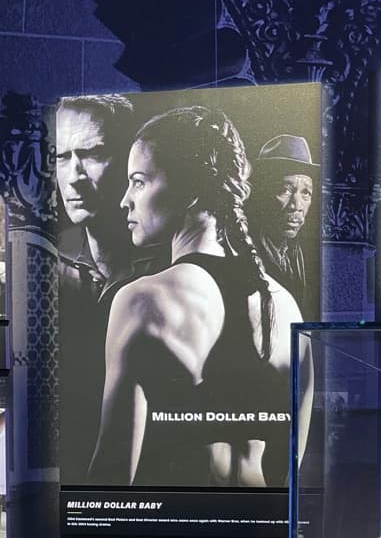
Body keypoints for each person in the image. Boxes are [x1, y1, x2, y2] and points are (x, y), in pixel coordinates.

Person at [87, 105, 313, 487]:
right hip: (263, 521)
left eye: (139, 181)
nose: (125, 200)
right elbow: (292, 474)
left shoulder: (142, 301)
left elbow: (111, 478)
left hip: (181, 521)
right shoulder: (287, 307)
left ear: (189, 189)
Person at [56, 94, 166, 482]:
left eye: (92, 154)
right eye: (61, 156)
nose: (74, 175)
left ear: (127, 160)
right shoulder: (47, 263)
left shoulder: (170, 266)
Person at [245, 133, 319, 321]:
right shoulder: (244, 252)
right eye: (284, 190)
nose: (297, 205)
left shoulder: (297, 252)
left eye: (306, 193)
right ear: (261, 193)